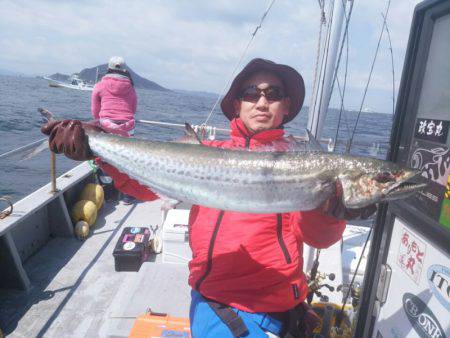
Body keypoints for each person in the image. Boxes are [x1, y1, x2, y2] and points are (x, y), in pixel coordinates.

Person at [41, 58, 377, 337]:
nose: (262, 102)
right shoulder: (207, 152)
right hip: (211, 300)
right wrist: (95, 148)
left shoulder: (300, 163)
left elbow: (317, 238)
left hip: (273, 306)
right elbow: (142, 187)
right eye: (251, 93)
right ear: (236, 104)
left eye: (273, 94)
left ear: (285, 105)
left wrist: (334, 211)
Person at [92, 56, 138, 204]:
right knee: (126, 160)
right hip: (127, 127)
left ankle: (110, 193)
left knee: (105, 159)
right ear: (124, 69)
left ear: (109, 67)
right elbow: (133, 108)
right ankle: (128, 195)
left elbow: (95, 110)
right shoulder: (130, 86)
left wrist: (101, 121)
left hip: (107, 126)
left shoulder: (100, 85)